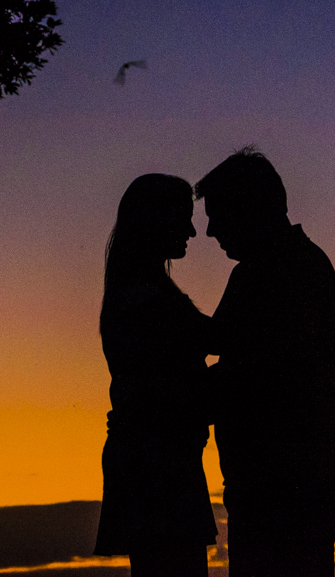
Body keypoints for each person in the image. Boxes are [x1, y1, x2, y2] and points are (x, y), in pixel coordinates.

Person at [197, 147, 335, 577]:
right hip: (297, 464)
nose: (210, 230)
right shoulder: (284, 263)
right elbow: (221, 344)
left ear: (249, 207)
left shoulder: (275, 268)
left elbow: (255, 372)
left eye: (218, 214)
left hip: (287, 471)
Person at [93, 174, 219, 577]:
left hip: (156, 460)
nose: (192, 230)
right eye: (182, 218)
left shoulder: (142, 290)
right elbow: (213, 339)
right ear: (155, 221)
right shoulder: (144, 298)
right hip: (156, 467)